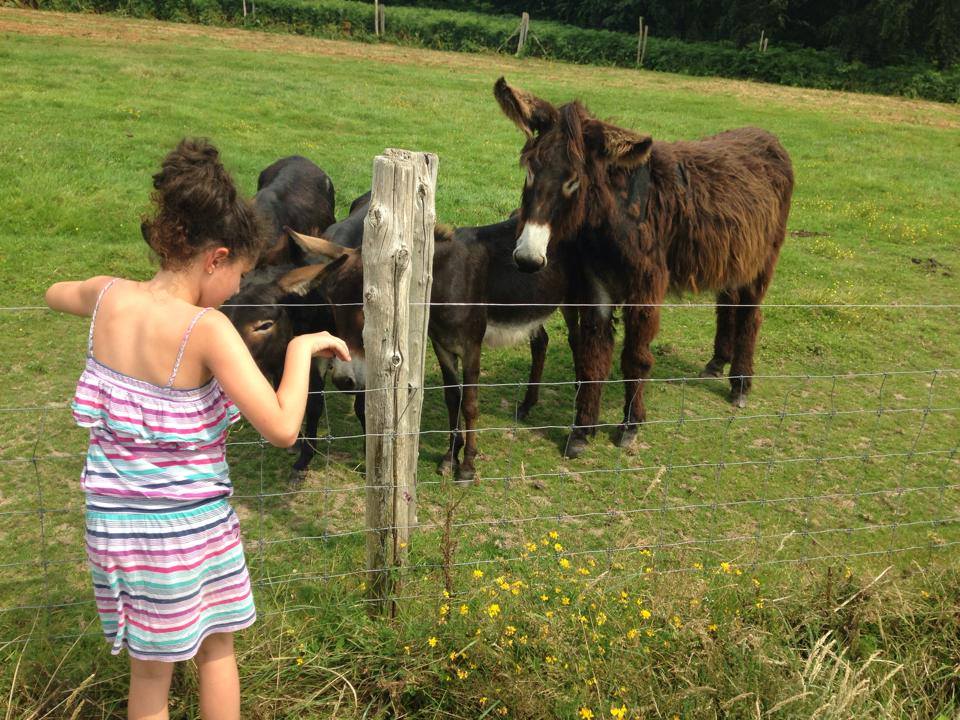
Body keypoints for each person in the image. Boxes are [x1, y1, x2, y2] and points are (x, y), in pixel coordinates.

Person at [45, 138, 349, 720]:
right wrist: (304, 348)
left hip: (115, 536)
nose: (238, 289)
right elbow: (285, 427)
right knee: (215, 652)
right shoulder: (207, 331)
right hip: (184, 534)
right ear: (215, 258)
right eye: (237, 273)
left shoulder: (109, 296)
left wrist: (105, 298)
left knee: (149, 674)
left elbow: (58, 293)